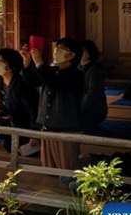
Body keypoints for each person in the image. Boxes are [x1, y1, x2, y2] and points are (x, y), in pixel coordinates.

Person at [21, 37, 85, 172]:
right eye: (57, 48)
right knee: (50, 169)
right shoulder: (52, 70)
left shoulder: (76, 74)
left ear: (71, 55)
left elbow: (55, 84)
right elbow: (33, 81)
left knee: (68, 168)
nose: (56, 51)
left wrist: (39, 64)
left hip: (65, 126)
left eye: (61, 49)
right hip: (48, 125)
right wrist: (27, 63)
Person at [0, 48, 39, 153]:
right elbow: (2, 105)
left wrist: (34, 135)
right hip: (10, 129)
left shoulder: (22, 86)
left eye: (2, 62)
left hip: (24, 130)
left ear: (12, 66)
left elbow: (34, 110)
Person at [79, 40, 107, 134]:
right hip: (81, 107)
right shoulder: (78, 67)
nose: (80, 53)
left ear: (90, 53)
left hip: (94, 110)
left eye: (83, 50)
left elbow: (92, 94)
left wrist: (80, 108)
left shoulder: (94, 70)